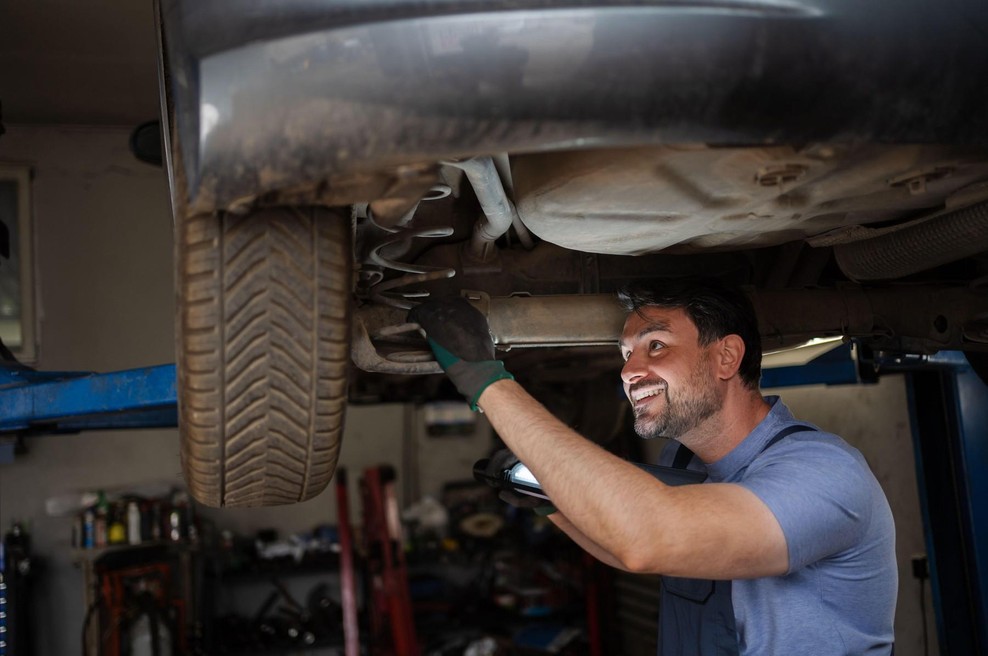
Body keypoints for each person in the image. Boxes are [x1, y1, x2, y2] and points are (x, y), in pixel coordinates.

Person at [408, 278, 897, 655]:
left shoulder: (824, 474)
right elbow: (626, 550)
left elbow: (646, 539)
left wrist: (486, 381)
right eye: (626, 354)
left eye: (655, 346)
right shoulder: (685, 464)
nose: (627, 371)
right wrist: (546, 499)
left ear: (727, 355)